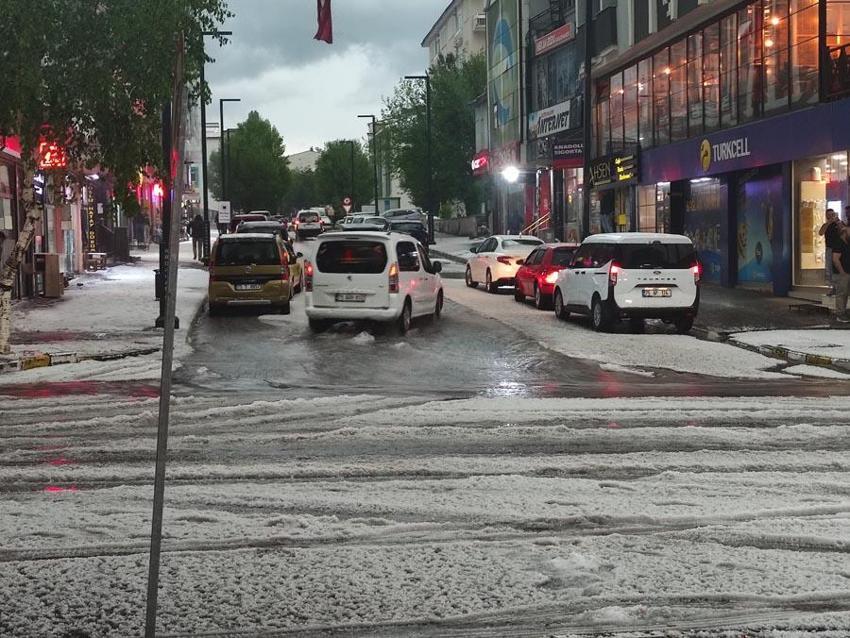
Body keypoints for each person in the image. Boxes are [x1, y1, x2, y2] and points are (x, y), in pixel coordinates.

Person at [819, 208, 844, 295]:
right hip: (829, 248)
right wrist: (828, 223)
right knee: (829, 268)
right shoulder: (826, 224)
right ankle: (833, 287)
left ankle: (840, 287)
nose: (830, 216)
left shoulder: (839, 223)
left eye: (832, 214)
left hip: (839, 249)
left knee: (838, 267)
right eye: (828, 215)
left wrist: (837, 221)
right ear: (826, 216)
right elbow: (821, 233)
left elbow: (843, 231)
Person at [831, 225, 850, 322]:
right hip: (842, 273)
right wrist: (842, 272)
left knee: (845, 293)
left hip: (847, 272)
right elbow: (835, 259)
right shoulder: (839, 243)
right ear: (844, 232)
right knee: (842, 294)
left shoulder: (847, 243)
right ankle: (840, 314)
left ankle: (844, 312)